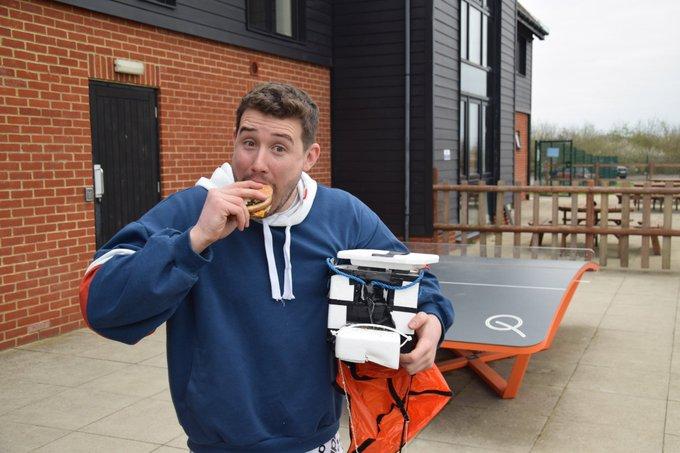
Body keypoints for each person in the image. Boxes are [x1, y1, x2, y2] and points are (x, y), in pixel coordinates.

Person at [79, 82, 454, 453]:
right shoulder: (192, 210)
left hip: (319, 439)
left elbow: (417, 283)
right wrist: (193, 241)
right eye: (248, 143)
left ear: (309, 157)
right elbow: (100, 305)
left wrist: (433, 321)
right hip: (219, 446)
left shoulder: (343, 215)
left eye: (278, 148)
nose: (257, 164)